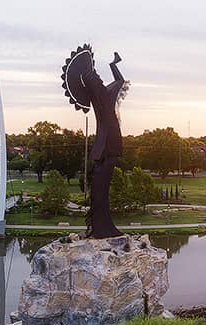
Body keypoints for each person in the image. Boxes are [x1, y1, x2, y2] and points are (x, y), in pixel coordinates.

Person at [61, 45, 128, 238]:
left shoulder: (106, 93)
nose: (99, 78)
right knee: (100, 187)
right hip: (107, 145)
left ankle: (102, 226)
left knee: (102, 188)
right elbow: (118, 82)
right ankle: (101, 227)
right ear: (91, 85)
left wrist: (113, 64)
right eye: (96, 76)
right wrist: (108, 66)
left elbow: (120, 80)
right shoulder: (100, 96)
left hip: (109, 143)